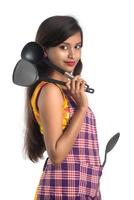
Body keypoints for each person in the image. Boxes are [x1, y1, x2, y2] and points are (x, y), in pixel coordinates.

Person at [24, 15, 103, 200]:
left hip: (85, 190)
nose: (72, 55)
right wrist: (82, 108)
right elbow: (57, 154)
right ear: (44, 51)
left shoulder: (67, 91)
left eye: (77, 46)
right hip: (63, 191)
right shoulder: (50, 91)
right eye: (63, 47)